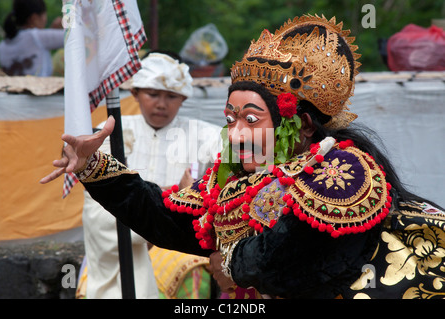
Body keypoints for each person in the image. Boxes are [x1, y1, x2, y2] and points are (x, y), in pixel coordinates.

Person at [41, 15, 445, 299]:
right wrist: (95, 169)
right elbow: (167, 217)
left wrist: (229, 262)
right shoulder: (234, 178)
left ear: (302, 126)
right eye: (230, 119)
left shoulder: (344, 168)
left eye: (251, 119)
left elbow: (291, 257)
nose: (235, 134)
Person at [78, 51, 221, 299]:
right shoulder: (108, 134)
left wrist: (194, 193)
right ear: (135, 94)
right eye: (153, 94)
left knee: (192, 276)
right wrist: (168, 203)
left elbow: (239, 160)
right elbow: (97, 202)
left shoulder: (206, 136)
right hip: (115, 253)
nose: (161, 104)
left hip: (180, 248)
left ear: (183, 98)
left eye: (171, 96)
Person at [0, 0, 64, 76]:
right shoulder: (37, 36)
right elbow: (74, 39)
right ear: (34, 18)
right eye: (44, 15)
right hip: (41, 87)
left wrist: (51, 31)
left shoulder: (2, 46)